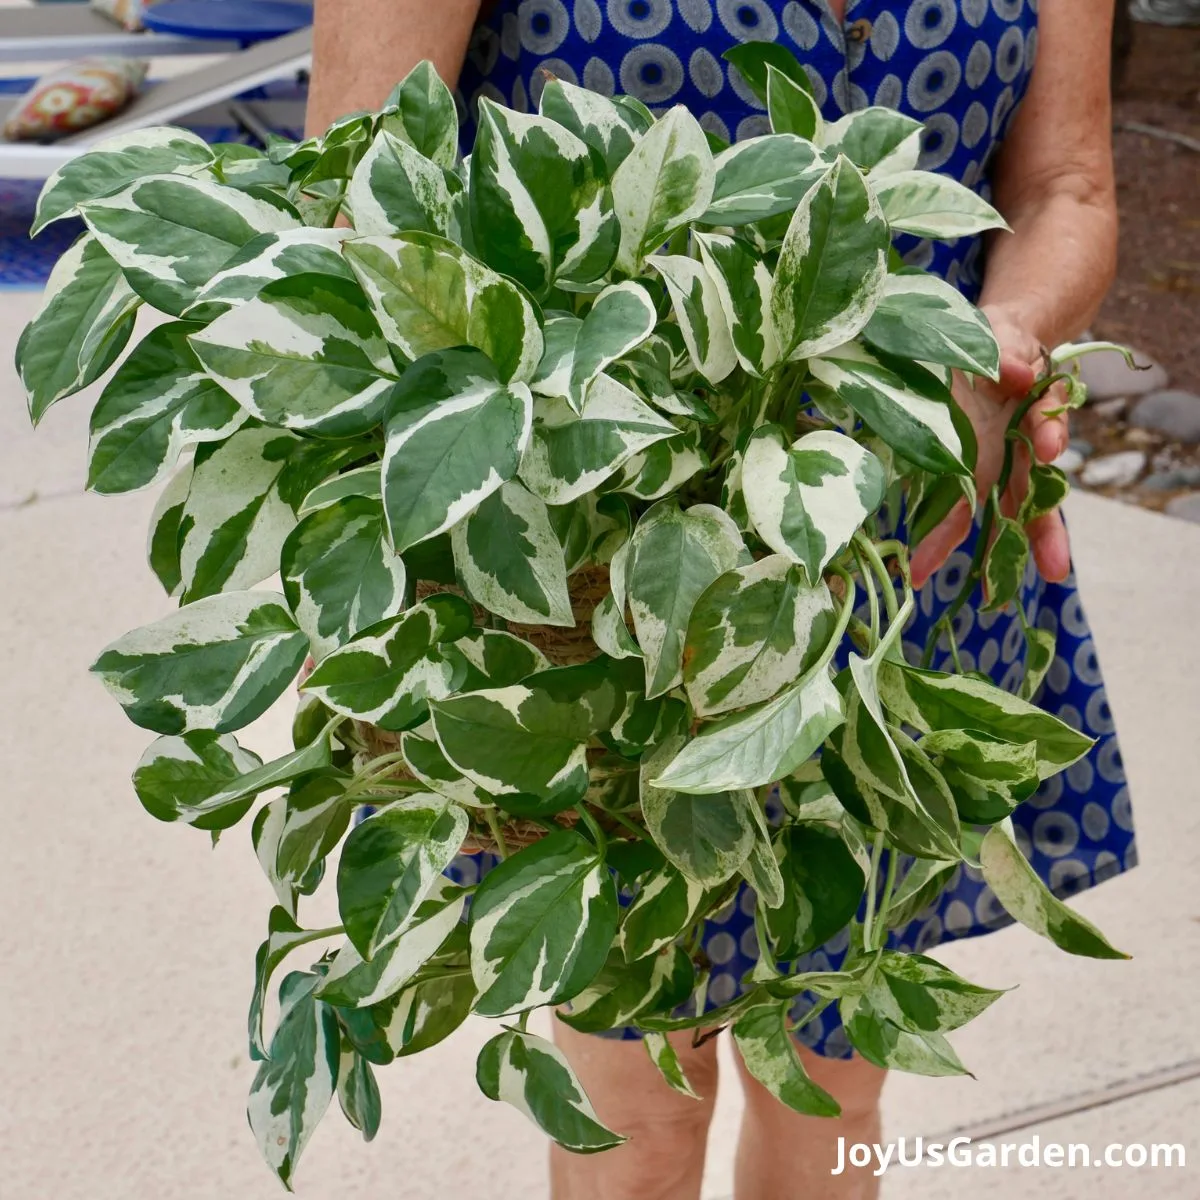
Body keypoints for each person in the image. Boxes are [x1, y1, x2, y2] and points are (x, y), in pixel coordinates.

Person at [307, 3, 1136, 1198]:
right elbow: (356, 199)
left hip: (902, 558)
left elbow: (1066, 187)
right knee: (640, 1111)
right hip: (604, 590)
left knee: (838, 1085)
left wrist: (1006, 341)